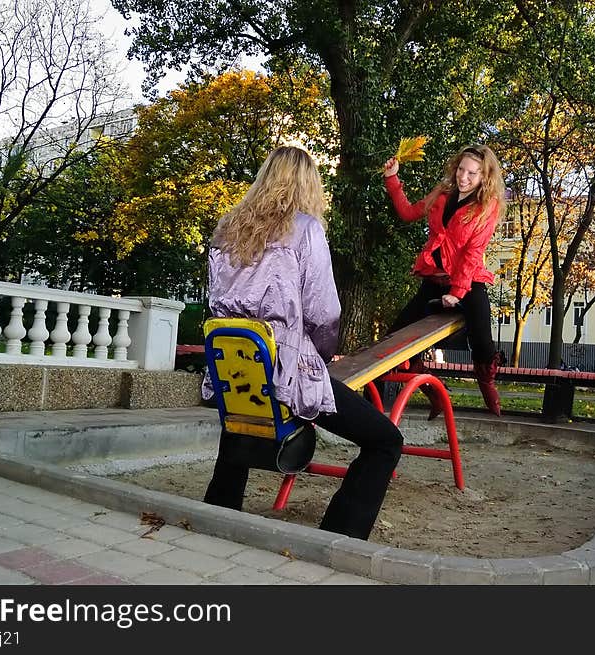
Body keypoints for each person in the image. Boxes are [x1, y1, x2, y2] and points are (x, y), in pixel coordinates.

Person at [201, 146, 403, 541]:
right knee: (385, 441)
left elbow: (216, 299)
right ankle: (340, 534)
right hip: (285, 366)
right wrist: (321, 356)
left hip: (235, 364)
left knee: (242, 425)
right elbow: (324, 312)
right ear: (307, 185)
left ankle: (214, 520)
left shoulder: (227, 229)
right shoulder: (305, 229)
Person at [383, 144, 506, 416]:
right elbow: (409, 213)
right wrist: (392, 178)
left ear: (484, 177)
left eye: (472, 173)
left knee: (483, 341)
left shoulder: (487, 207)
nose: (464, 177)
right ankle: (433, 393)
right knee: (397, 337)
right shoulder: (443, 193)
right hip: (434, 279)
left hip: (468, 280)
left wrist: (458, 292)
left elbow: (473, 253)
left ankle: (487, 382)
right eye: (461, 169)